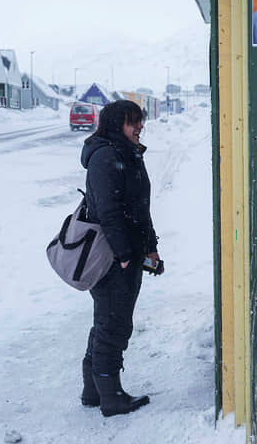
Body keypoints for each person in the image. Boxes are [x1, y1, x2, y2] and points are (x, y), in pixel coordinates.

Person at [79, 100, 162, 417]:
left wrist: (150, 247)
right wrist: (125, 255)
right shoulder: (105, 156)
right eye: (133, 122)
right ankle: (110, 396)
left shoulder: (127, 152)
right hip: (113, 256)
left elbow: (140, 208)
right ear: (116, 125)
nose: (139, 126)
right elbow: (109, 212)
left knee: (106, 321)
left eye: (140, 121)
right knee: (114, 325)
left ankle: (93, 390)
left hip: (127, 252)